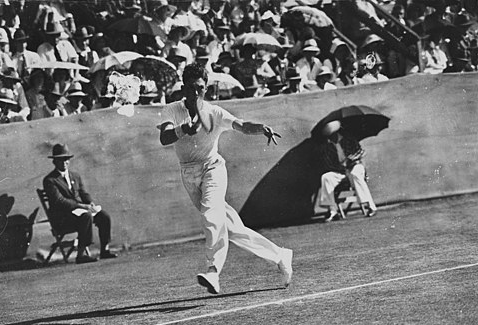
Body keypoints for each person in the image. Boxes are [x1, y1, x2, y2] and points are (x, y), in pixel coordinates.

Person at [158, 63, 292, 294]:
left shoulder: (215, 112)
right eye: (192, 88)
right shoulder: (171, 110)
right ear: (183, 88)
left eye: (201, 88)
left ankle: (213, 270)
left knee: (211, 215)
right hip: (189, 175)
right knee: (230, 227)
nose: (197, 92)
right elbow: (164, 137)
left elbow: (241, 125)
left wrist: (260, 128)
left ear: (206, 89)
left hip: (213, 169)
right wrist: (183, 129)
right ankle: (280, 255)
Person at [43, 143, 118, 264]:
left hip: (79, 213)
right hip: (63, 218)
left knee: (104, 216)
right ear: (54, 162)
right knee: (86, 216)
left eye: (66, 160)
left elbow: (83, 193)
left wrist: (91, 203)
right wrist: (82, 206)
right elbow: (59, 201)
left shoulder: (75, 176)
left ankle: (105, 249)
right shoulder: (50, 180)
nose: (64, 163)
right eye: (60, 160)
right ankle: (81, 254)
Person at [318, 120, 377, 222]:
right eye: (329, 136)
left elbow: (360, 152)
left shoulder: (348, 139)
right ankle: (333, 211)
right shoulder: (327, 147)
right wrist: (341, 167)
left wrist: (351, 160)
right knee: (326, 177)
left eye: (332, 135)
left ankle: (370, 206)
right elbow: (329, 164)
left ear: (336, 133)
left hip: (355, 167)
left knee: (355, 174)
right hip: (341, 171)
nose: (330, 138)